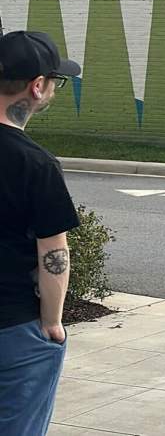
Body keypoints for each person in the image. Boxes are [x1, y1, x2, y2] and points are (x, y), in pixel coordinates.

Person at [0, 31, 81, 436]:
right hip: (13, 330)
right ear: (37, 87)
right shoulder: (36, 163)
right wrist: (52, 322)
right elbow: (54, 254)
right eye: (55, 81)